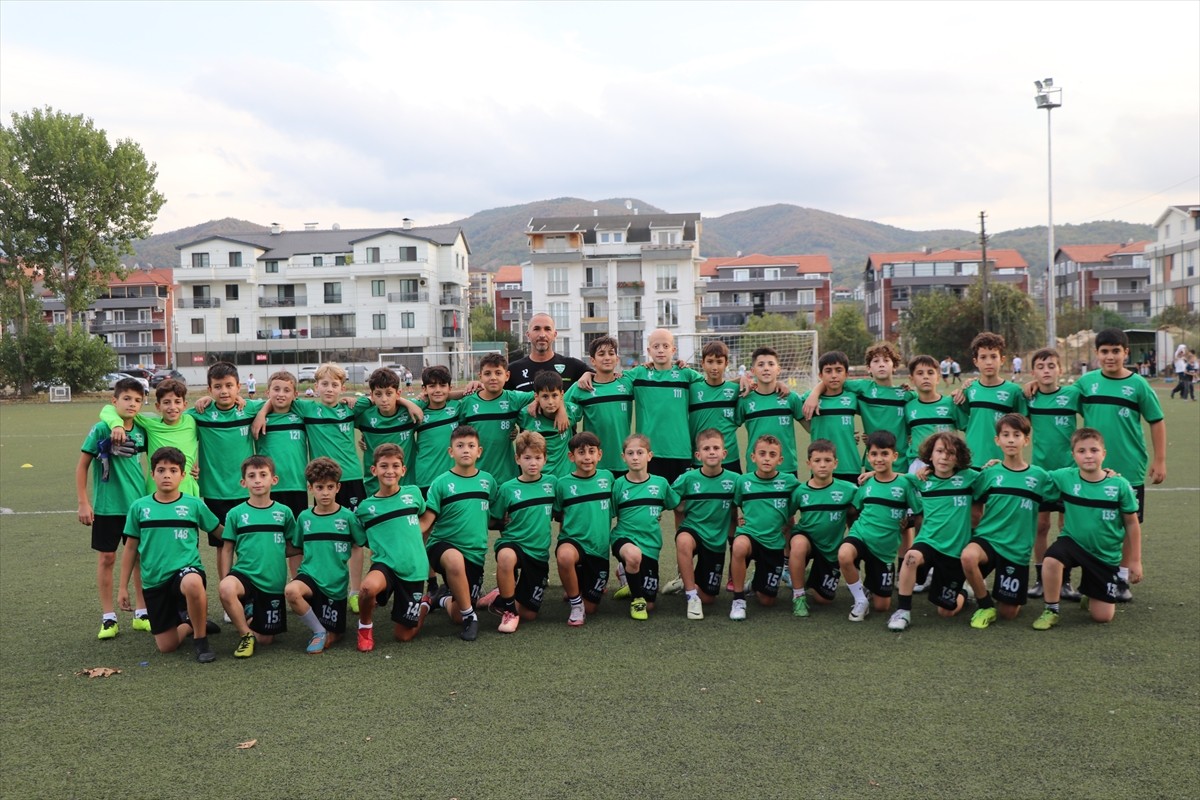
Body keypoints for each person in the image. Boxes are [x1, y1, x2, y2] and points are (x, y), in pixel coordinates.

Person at [1075, 328, 1165, 602]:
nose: (1110, 356)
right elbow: (1056, 396)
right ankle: (1094, 575)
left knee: (1129, 521)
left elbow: (1156, 420)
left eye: (1116, 351)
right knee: (1092, 520)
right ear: (1097, 354)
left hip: (1129, 466)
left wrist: (1160, 460)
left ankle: (1122, 578)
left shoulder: (1138, 385)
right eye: (1104, 351)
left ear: (1126, 353)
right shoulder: (1086, 383)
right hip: (1092, 467)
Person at [118, 447, 223, 663]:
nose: (167, 475)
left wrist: (252, 534)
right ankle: (190, 624)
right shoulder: (139, 507)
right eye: (161, 470)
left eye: (173, 470)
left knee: (193, 582)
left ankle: (201, 640)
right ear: (152, 474)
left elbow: (220, 532)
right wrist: (122, 587)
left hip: (185, 570)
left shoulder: (194, 505)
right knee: (167, 646)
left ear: (183, 475)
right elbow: (130, 548)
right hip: (154, 580)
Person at [1031, 428, 1142, 630]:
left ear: (1104, 454)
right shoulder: (1065, 477)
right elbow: (1031, 475)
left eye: (1094, 450)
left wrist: (1135, 561)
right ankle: (1051, 609)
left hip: (1104, 554)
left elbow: (1132, 523)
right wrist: (999, 465)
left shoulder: (1119, 485)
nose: (1088, 455)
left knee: (1102, 617)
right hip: (1073, 542)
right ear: (1073, 455)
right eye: (1081, 451)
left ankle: (1091, 593)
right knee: (1051, 559)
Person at [961, 414, 1051, 629]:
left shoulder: (1039, 477)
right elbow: (972, 497)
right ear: (997, 440)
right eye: (1006, 435)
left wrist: (1107, 473)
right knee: (968, 556)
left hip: (1016, 548)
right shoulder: (990, 472)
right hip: (989, 539)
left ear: (1026, 440)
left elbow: (1071, 482)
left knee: (1009, 613)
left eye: (1017, 435)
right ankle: (984, 604)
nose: (1011, 440)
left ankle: (984, 591)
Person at [579, 328, 702, 485]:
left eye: (665, 346)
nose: (661, 350)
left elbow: (714, 385)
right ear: (649, 350)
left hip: (680, 450)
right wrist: (588, 374)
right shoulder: (638, 374)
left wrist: (742, 381)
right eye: (656, 347)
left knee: (681, 504)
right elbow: (608, 378)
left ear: (673, 349)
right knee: (650, 501)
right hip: (648, 452)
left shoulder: (686, 374)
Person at [77, 376, 150, 639]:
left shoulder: (142, 429)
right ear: (114, 401)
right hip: (107, 508)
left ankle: (142, 613)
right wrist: (84, 502)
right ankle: (109, 617)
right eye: (127, 398)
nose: (132, 404)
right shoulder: (101, 429)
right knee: (107, 558)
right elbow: (82, 466)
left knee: (140, 558)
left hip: (137, 507)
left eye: (137, 400)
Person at [887, 432, 977, 631]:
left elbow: (992, 478)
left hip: (954, 550)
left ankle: (963, 591)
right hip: (928, 542)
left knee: (946, 612)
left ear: (959, 457)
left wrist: (993, 465)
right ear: (930, 455)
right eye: (939, 451)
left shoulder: (969, 478)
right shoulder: (922, 479)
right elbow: (894, 477)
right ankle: (903, 611)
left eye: (951, 453)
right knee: (911, 556)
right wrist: (872, 474)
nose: (944, 457)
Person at [187, 362, 266, 579]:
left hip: (245, 490)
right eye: (218, 386)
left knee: (248, 543)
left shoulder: (248, 408)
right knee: (223, 545)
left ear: (238, 386)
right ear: (209, 389)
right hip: (214, 491)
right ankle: (227, 593)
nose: (224, 391)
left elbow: (271, 404)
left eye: (229, 386)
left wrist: (260, 415)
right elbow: (173, 419)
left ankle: (248, 591)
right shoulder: (200, 413)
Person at [419, 425, 495, 641]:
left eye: (471, 446)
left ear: (479, 451)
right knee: (454, 559)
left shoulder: (488, 481)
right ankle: (471, 617)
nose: (466, 450)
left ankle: (438, 600)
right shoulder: (441, 483)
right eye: (460, 446)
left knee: (456, 614)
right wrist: (405, 532)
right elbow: (426, 522)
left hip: (474, 554)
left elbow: (496, 514)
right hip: (442, 546)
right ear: (451, 452)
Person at [838, 431, 923, 623]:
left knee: (882, 606)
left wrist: (908, 522)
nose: (879, 459)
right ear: (868, 457)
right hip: (861, 536)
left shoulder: (905, 483)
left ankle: (869, 585)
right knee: (844, 554)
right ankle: (860, 600)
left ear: (895, 456)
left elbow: (918, 513)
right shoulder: (866, 484)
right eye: (874, 454)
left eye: (884, 454)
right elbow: (854, 509)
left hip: (884, 550)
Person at [218, 455, 298, 658]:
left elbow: (293, 546)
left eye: (263, 475)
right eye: (252, 476)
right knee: (227, 588)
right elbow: (227, 548)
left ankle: (250, 614)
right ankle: (245, 635)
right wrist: (227, 576)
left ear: (274, 479)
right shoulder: (236, 513)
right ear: (243, 482)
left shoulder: (284, 512)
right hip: (244, 575)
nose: (258, 480)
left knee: (266, 640)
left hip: (272, 582)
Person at [286, 457, 366, 654]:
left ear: (338, 488)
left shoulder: (348, 517)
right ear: (310, 488)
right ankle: (318, 631)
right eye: (320, 487)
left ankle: (327, 631)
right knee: (291, 591)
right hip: (310, 577)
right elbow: (297, 548)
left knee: (335, 637)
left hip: (335, 586)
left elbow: (359, 544)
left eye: (330, 487)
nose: (325, 493)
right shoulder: (304, 517)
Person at [356, 444, 432, 649]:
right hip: (386, 565)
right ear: (374, 470)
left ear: (403, 470)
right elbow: (360, 537)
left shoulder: (413, 494)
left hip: (413, 569)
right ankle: (364, 627)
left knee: (403, 636)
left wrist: (419, 529)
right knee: (366, 589)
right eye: (384, 466)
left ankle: (424, 604)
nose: (390, 471)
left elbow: (425, 515)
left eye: (395, 466)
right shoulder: (365, 508)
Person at [480, 431, 557, 633]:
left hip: (538, 552)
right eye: (527, 458)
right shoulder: (507, 488)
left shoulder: (552, 484)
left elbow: (561, 511)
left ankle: (499, 598)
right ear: (517, 459)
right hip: (514, 543)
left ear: (545, 459)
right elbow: (493, 520)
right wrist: (501, 522)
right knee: (505, 556)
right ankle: (509, 610)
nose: (533, 463)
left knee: (530, 615)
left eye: (538, 458)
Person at [1024, 349, 1082, 600]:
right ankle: (1040, 579)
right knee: (1041, 525)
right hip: (1041, 474)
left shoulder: (1072, 394)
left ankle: (1064, 580)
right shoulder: (1029, 398)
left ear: (1061, 369)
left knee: (1065, 527)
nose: (1046, 370)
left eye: (1051, 366)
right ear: (1033, 372)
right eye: (1040, 366)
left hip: (1069, 473)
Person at [804, 341, 912, 473]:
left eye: (886, 360)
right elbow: (834, 381)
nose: (881, 364)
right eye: (876, 361)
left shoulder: (906, 394)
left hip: (901, 462)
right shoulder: (863, 388)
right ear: (868, 368)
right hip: (873, 463)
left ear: (894, 366)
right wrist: (815, 393)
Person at [664, 429, 738, 619]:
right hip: (694, 530)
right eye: (706, 448)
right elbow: (669, 499)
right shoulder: (688, 478)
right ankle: (691, 596)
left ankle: (688, 583)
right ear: (698, 455)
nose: (711, 452)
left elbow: (745, 503)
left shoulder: (735, 480)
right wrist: (674, 506)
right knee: (683, 540)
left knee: (708, 598)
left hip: (715, 540)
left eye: (716, 448)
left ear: (724, 453)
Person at [609, 434, 681, 620]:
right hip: (624, 539)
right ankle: (636, 598)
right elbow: (608, 514)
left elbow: (678, 505)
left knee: (651, 605)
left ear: (649, 455)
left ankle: (630, 582)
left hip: (650, 544)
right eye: (630, 453)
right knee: (633, 556)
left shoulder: (661, 484)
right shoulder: (618, 485)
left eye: (640, 452)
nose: (635, 457)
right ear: (623, 457)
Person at [728, 435, 800, 620]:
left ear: (780, 460)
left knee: (767, 601)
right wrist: (737, 523)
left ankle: (755, 584)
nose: (767, 458)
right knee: (739, 545)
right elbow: (733, 505)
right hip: (750, 535)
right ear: (753, 457)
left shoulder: (789, 482)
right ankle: (738, 600)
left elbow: (809, 491)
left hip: (774, 543)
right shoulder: (743, 482)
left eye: (772, 454)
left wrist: (788, 522)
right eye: (762, 454)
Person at [461, 353, 558, 486]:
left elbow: (544, 395)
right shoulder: (468, 403)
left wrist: (538, 401)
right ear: (480, 377)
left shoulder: (514, 398)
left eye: (498, 373)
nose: (493, 378)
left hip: (507, 477)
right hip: (476, 475)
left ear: (507, 376)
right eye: (488, 373)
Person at [787, 440, 857, 617]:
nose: (822, 465)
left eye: (827, 460)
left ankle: (806, 573)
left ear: (836, 463)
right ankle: (798, 595)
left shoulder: (849, 489)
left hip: (830, 548)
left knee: (824, 600)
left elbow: (862, 510)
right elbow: (787, 517)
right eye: (817, 460)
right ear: (808, 464)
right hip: (807, 538)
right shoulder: (800, 491)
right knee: (799, 544)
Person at [101, 377, 200, 498]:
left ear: (184, 405)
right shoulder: (150, 423)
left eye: (177, 402)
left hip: (187, 491)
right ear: (158, 406)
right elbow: (109, 409)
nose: (172, 407)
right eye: (167, 402)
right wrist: (116, 424)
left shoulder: (192, 421)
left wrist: (195, 464)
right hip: (156, 491)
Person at [554, 432, 614, 627]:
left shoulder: (608, 478)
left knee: (592, 608)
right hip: (574, 542)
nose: (587, 457)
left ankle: (580, 588)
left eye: (591, 452)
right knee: (564, 556)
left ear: (600, 455)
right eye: (581, 452)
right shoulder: (562, 484)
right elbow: (557, 513)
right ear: (572, 456)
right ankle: (575, 603)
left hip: (599, 550)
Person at [564, 335, 633, 478]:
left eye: (611, 353)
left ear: (617, 359)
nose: (607, 358)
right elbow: (559, 406)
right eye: (601, 354)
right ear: (593, 361)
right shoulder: (582, 387)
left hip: (624, 460)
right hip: (593, 462)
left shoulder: (627, 383)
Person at [957, 332, 1027, 468]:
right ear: (975, 361)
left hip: (1002, 462)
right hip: (973, 460)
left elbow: (1023, 425)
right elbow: (965, 421)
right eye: (983, 357)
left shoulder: (1014, 391)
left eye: (994, 356)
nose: (989, 362)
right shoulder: (969, 390)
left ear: (1002, 360)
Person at [353, 367, 423, 496]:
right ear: (372, 395)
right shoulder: (364, 416)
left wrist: (407, 403)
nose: (384, 399)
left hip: (406, 488)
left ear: (398, 393)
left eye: (389, 393)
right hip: (374, 488)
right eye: (378, 394)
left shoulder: (409, 413)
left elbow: (435, 396)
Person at [737, 346, 807, 474]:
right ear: (753, 370)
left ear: (778, 370)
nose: (766, 368)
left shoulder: (791, 398)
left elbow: (812, 427)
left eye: (771, 364)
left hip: (787, 469)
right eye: (761, 364)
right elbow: (727, 426)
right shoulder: (745, 400)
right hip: (755, 470)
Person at [254, 371, 310, 525]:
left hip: (297, 484)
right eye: (276, 389)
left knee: (297, 539)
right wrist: (262, 413)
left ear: (295, 394)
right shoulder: (256, 414)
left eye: (287, 390)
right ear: (267, 392)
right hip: (268, 486)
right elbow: (237, 402)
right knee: (272, 535)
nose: (281, 394)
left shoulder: (301, 415)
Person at [799, 351, 862, 485]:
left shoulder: (853, 397)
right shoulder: (809, 399)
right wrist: (814, 393)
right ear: (820, 375)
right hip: (820, 466)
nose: (833, 375)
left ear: (846, 374)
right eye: (828, 371)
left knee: (851, 505)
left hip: (849, 464)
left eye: (838, 370)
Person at [903, 355, 966, 475]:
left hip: (946, 461)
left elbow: (969, 428)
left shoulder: (951, 403)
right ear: (912, 379)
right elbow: (905, 435)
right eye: (920, 373)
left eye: (930, 372)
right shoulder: (909, 407)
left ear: (938, 378)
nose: (925, 377)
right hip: (919, 463)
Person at [689, 341, 744, 475]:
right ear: (702, 363)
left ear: (726, 364)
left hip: (729, 457)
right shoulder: (692, 389)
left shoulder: (736, 390)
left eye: (719, 362)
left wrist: (778, 383)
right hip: (701, 457)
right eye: (710, 361)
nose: (714, 367)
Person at [506, 312, 593, 392]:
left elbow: (602, 379)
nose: (542, 335)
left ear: (555, 335)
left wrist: (589, 374)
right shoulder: (513, 370)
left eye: (547, 329)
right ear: (528, 335)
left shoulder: (573, 365)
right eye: (536, 329)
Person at [410, 365, 464, 495]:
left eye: (442, 385)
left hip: (453, 478)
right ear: (424, 389)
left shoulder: (458, 407)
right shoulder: (417, 411)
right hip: (425, 478)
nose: (438, 390)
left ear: (450, 388)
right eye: (432, 386)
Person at [517, 371, 581, 477]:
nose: (550, 401)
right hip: (538, 477)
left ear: (562, 395)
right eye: (545, 397)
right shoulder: (526, 414)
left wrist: (562, 407)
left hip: (565, 476)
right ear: (536, 397)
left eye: (554, 395)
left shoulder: (571, 411)